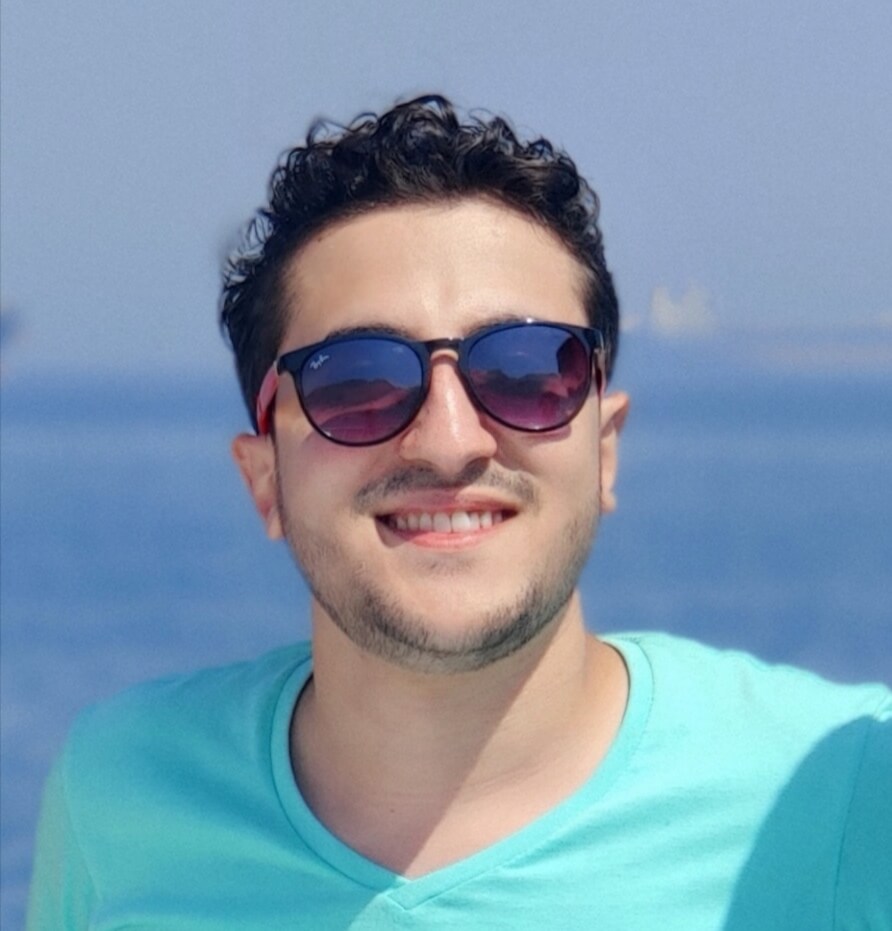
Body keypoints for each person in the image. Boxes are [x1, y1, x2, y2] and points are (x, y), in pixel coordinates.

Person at [28, 95, 890, 929]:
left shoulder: (851, 787)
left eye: (527, 370)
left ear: (604, 448)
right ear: (265, 479)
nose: (448, 441)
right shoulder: (121, 792)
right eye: (356, 382)